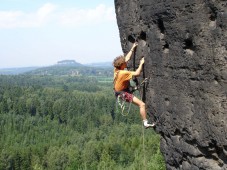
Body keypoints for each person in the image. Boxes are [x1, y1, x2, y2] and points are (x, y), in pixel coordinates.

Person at [113, 42, 155, 128]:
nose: (126, 62)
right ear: (122, 65)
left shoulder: (116, 70)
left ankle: (133, 88)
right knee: (142, 104)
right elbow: (137, 73)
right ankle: (145, 122)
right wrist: (141, 63)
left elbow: (126, 58)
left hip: (121, 91)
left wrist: (133, 48)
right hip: (123, 93)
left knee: (130, 87)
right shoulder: (123, 73)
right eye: (124, 63)